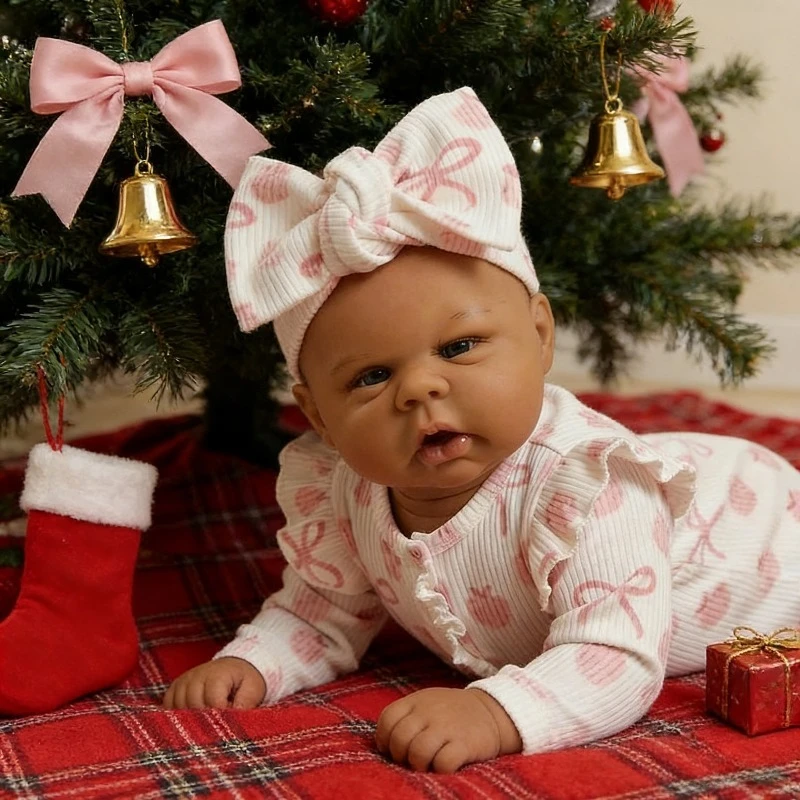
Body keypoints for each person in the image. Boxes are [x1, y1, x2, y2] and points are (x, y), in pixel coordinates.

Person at [163, 87, 800, 773]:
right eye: (370, 378)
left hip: (764, 534)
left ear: (539, 334)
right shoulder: (345, 489)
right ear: (317, 413)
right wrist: (256, 660)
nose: (421, 388)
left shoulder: (589, 488)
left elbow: (615, 655)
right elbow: (323, 610)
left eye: (460, 348)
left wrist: (497, 710)